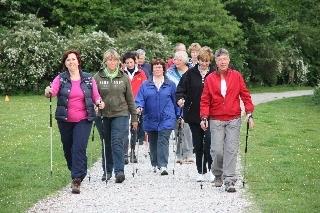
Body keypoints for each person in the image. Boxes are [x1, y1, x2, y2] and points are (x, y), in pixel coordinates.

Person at [44, 49, 105, 194]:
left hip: (84, 119)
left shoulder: (89, 79)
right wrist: (48, 91)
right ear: (65, 63)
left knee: (78, 147)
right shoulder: (61, 78)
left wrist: (100, 103)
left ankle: (76, 179)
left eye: (73, 59)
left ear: (78, 61)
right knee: (68, 149)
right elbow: (52, 91)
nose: (71, 62)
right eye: (68, 60)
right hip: (64, 120)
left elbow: (96, 96)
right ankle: (79, 169)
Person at [200, 48, 255, 192]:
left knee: (231, 149)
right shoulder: (210, 78)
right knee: (217, 150)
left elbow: (245, 95)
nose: (223, 62)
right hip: (216, 119)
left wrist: (249, 113)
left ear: (229, 60)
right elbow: (205, 100)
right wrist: (204, 117)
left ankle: (230, 180)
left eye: (225, 59)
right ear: (216, 62)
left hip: (234, 119)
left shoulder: (236, 76)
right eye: (220, 60)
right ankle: (218, 174)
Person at [94, 49, 138, 183]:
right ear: (105, 61)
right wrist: (95, 105)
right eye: (109, 59)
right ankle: (107, 170)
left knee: (117, 141)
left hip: (121, 113)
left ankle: (119, 171)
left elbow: (130, 99)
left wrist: (134, 117)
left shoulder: (123, 77)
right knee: (106, 142)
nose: (112, 62)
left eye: (114, 59)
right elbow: (92, 96)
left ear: (118, 61)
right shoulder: (97, 77)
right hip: (102, 115)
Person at [135, 58, 179, 175]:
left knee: (163, 140)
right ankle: (154, 163)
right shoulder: (145, 85)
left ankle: (163, 165)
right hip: (150, 117)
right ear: (152, 70)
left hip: (167, 117)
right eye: (155, 67)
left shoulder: (170, 84)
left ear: (163, 69)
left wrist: (179, 114)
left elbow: (176, 101)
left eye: (160, 67)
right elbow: (140, 99)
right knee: (153, 141)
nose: (158, 69)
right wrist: (139, 106)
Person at [176, 46, 214, 182]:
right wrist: (181, 99)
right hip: (193, 114)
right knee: (198, 144)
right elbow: (180, 90)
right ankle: (201, 171)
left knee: (209, 143)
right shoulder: (190, 74)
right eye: (202, 61)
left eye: (207, 61)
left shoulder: (214, 74)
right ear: (198, 60)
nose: (204, 64)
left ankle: (211, 170)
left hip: (211, 115)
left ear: (210, 61)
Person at [166, 51, 194, 164]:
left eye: (178, 59)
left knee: (187, 128)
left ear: (184, 61)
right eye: (175, 59)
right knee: (177, 128)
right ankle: (179, 154)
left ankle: (188, 153)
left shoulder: (191, 72)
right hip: (173, 103)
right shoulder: (169, 73)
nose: (175, 61)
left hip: (188, 103)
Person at [122, 51, 147, 164]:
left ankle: (132, 151)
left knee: (134, 128)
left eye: (131, 62)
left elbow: (145, 90)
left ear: (135, 61)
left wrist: (141, 105)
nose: (129, 64)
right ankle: (124, 153)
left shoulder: (141, 74)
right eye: (127, 62)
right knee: (124, 130)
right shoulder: (122, 73)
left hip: (136, 106)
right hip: (123, 105)